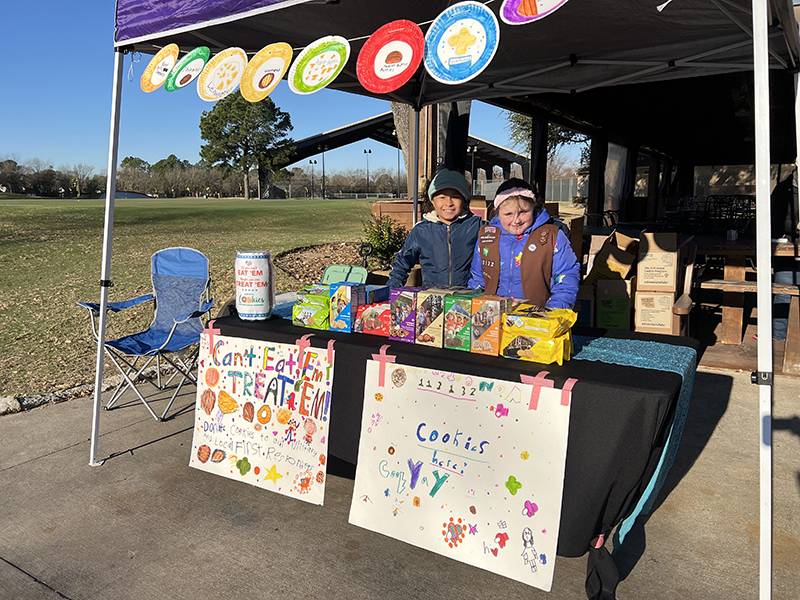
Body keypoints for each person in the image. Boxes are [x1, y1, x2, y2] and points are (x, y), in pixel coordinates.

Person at [468, 178, 580, 308]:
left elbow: (567, 277)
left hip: (537, 317)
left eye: (523, 212)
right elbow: (478, 277)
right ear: (497, 211)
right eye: (508, 214)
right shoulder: (487, 236)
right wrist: (473, 306)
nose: (516, 220)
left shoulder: (551, 236)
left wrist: (554, 311)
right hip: (493, 315)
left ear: (534, 207)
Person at [387, 169, 483, 288]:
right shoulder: (421, 230)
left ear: (464, 200)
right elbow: (402, 264)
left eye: (455, 197)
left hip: (467, 297)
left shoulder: (477, 226)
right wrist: (390, 291)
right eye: (442, 197)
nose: (448, 203)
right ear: (433, 201)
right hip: (431, 297)